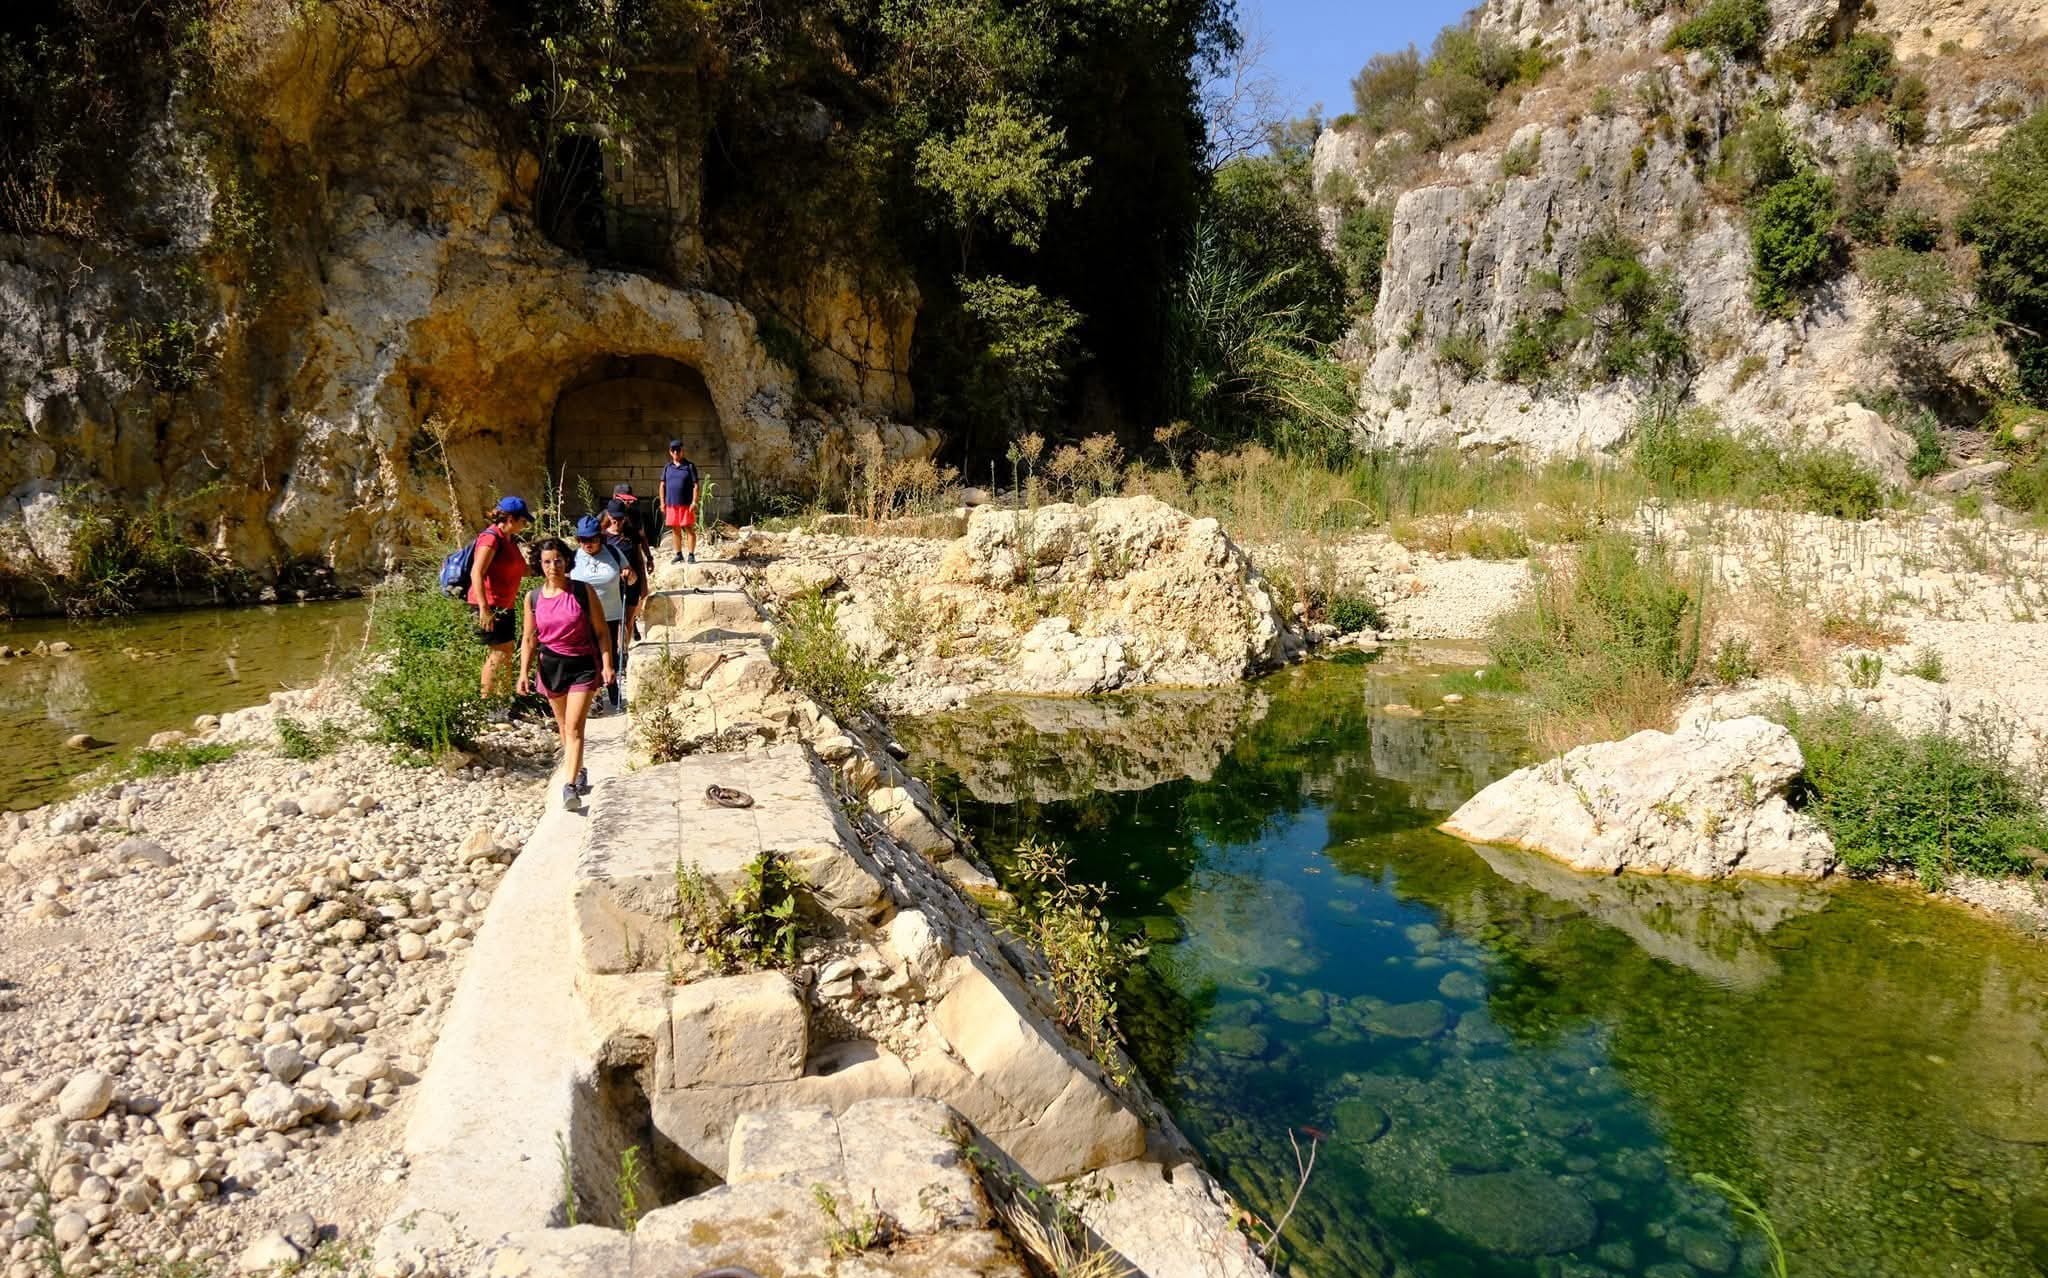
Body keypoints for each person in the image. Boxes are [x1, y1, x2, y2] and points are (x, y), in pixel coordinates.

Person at [517, 537, 614, 811]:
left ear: (567, 561)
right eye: (547, 562)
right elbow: (529, 639)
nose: (553, 566)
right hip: (550, 666)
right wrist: (523, 672)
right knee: (563, 727)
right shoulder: (533, 598)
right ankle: (579, 768)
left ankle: (570, 785)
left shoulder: (583, 592)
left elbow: (601, 632)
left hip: (582, 665)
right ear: (540, 564)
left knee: (574, 727)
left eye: (558, 560)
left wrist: (607, 664)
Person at [467, 496, 532, 709]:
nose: (525, 524)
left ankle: (504, 703)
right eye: (523, 520)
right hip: (489, 604)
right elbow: (477, 571)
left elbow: (523, 570)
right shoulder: (491, 538)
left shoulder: (510, 540)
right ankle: (487, 705)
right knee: (497, 653)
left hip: (505, 604)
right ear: (511, 518)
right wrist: (484, 609)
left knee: (506, 651)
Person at [569, 514, 629, 712]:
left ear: (600, 537)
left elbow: (633, 578)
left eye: (593, 539)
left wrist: (628, 575)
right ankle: (594, 697)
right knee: (589, 657)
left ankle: (612, 689)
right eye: (583, 540)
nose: (588, 544)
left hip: (610, 615)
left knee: (609, 655)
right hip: (582, 617)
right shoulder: (572, 558)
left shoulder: (613, 552)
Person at [603, 496, 650, 650]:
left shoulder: (631, 534)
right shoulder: (602, 537)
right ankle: (614, 653)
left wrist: (643, 585)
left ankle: (624, 650)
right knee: (615, 621)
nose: (617, 522)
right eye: (615, 518)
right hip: (610, 586)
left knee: (628, 620)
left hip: (631, 583)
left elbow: (638, 560)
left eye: (621, 518)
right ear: (609, 516)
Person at [661, 440, 699, 564]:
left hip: (686, 504)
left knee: (689, 528)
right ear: (670, 452)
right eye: (673, 450)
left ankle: (691, 555)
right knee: (675, 529)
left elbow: (695, 485)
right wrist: (662, 502)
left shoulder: (689, 466)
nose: (676, 452)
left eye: (678, 450)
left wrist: (694, 501)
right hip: (671, 504)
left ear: (682, 451)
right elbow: (662, 485)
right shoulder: (667, 467)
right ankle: (678, 554)